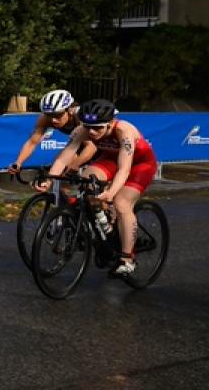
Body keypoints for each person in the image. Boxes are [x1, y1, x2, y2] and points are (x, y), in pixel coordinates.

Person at [37, 99, 157, 276]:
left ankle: (127, 258)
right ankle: (106, 226)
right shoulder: (82, 130)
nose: (92, 132)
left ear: (110, 123)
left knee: (122, 203)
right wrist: (50, 179)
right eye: (88, 127)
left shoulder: (123, 130)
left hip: (140, 164)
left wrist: (110, 193)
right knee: (86, 182)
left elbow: (124, 170)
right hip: (110, 160)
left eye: (98, 128)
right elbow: (64, 158)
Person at [6, 89, 83, 175]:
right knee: (59, 170)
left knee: (64, 167)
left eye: (57, 115)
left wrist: (76, 163)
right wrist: (18, 163)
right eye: (49, 115)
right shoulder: (44, 118)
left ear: (70, 110)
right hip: (81, 141)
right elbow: (32, 142)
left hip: (95, 143)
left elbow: (90, 147)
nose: (53, 120)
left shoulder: (81, 117)